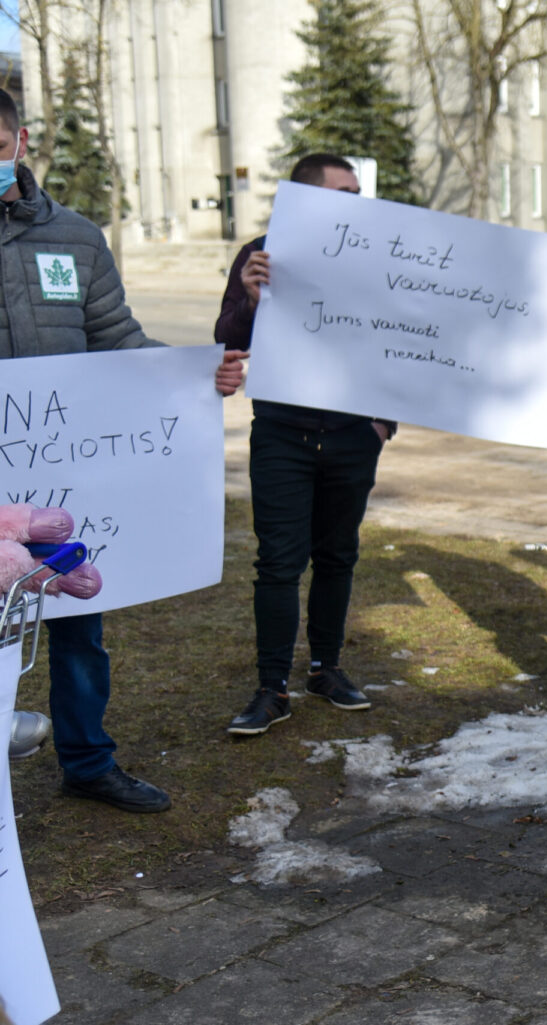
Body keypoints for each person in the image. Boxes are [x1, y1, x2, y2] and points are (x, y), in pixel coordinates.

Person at [0, 87, 246, 810]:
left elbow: (120, 342)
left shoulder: (75, 238)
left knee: (78, 627)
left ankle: (87, 761)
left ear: (19, 142)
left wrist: (198, 377)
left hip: (62, 496)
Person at [217, 154, 394, 736]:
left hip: (350, 435)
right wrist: (248, 296)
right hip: (282, 434)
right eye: (344, 191)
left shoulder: (379, 254)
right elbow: (229, 341)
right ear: (307, 197)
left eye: (358, 190)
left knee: (338, 555)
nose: (356, 200)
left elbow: (404, 335)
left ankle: (326, 668)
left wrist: (381, 424)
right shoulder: (261, 254)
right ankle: (272, 688)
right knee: (278, 563)